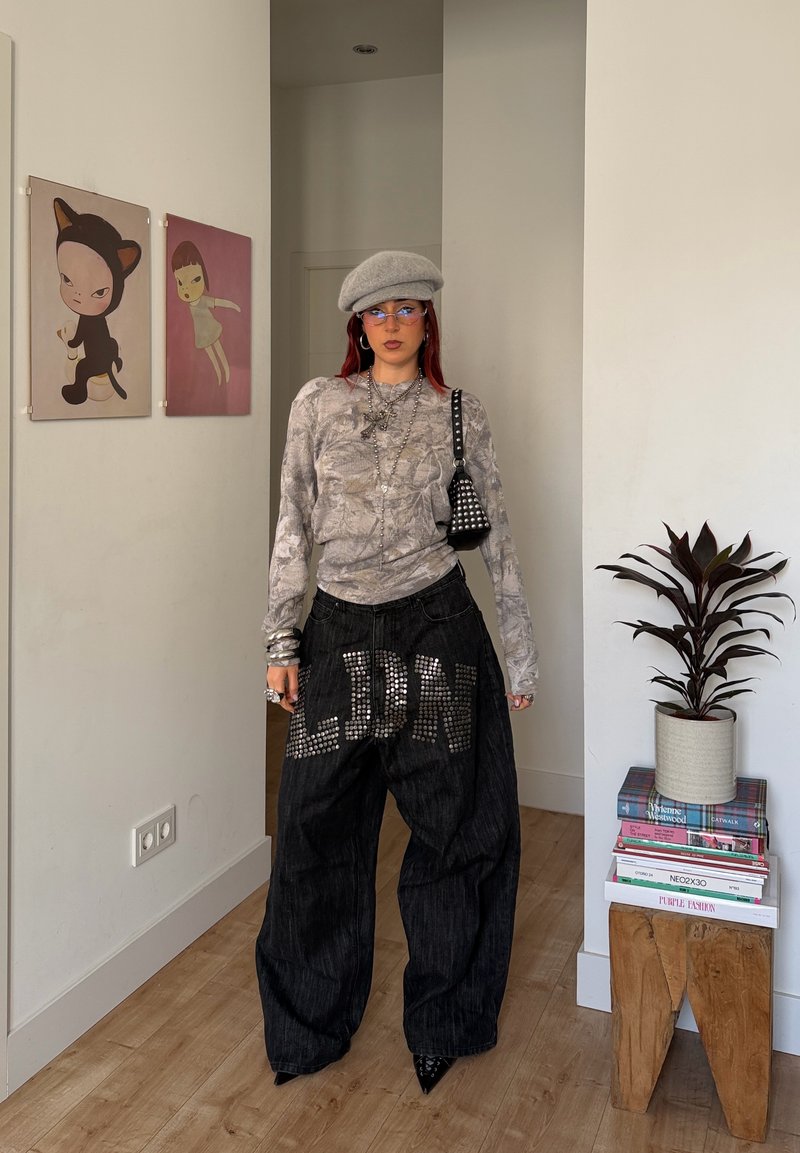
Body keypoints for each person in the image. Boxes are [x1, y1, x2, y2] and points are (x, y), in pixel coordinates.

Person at [256, 251, 538, 1095]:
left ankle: (444, 1018)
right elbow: (291, 525)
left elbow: (497, 535)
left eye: (408, 309)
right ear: (357, 324)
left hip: (436, 634)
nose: (392, 323)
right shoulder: (318, 404)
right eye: (377, 311)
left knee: (458, 830)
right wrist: (279, 641)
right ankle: (309, 1023)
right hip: (338, 633)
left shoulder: (459, 414)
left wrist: (519, 650)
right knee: (314, 830)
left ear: (427, 321)